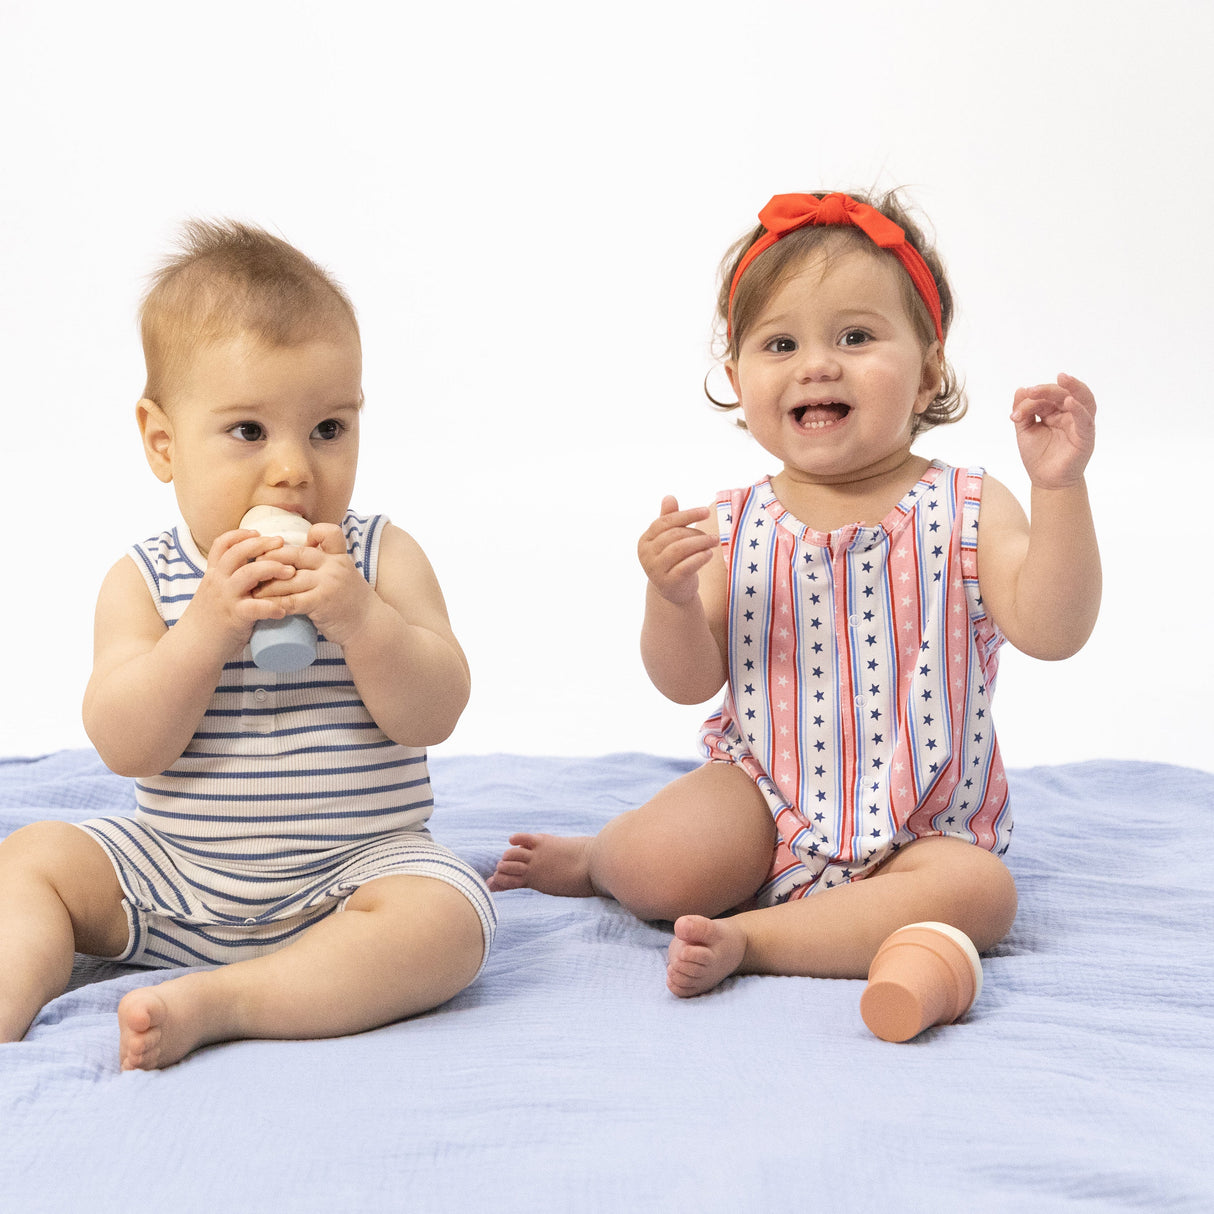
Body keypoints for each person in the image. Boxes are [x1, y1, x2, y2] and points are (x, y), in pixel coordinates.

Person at [489, 190, 1099, 1034]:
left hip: (927, 825)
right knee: (666, 860)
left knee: (980, 896)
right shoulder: (734, 524)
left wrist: (1057, 489)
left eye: (856, 336)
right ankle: (602, 858)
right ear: (739, 381)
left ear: (928, 370)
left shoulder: (968, 505)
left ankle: (755, 938)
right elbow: (686, 680)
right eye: (781, 344)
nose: (818, 364)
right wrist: (667, 599)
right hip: (762, 799)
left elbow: (1054, 630)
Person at [0, 220, 495, 1069]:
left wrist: (360, 619)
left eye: (329, 429)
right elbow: (126, 744)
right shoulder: (144, 580)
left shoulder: (378, 558)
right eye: (249, 432)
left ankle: (226, 1002)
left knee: (448, 920)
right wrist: (207, 628)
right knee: (33, 858)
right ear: (163, 442)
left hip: (353, 877)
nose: (295, 471)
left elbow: (436, 711)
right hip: (174, 876)